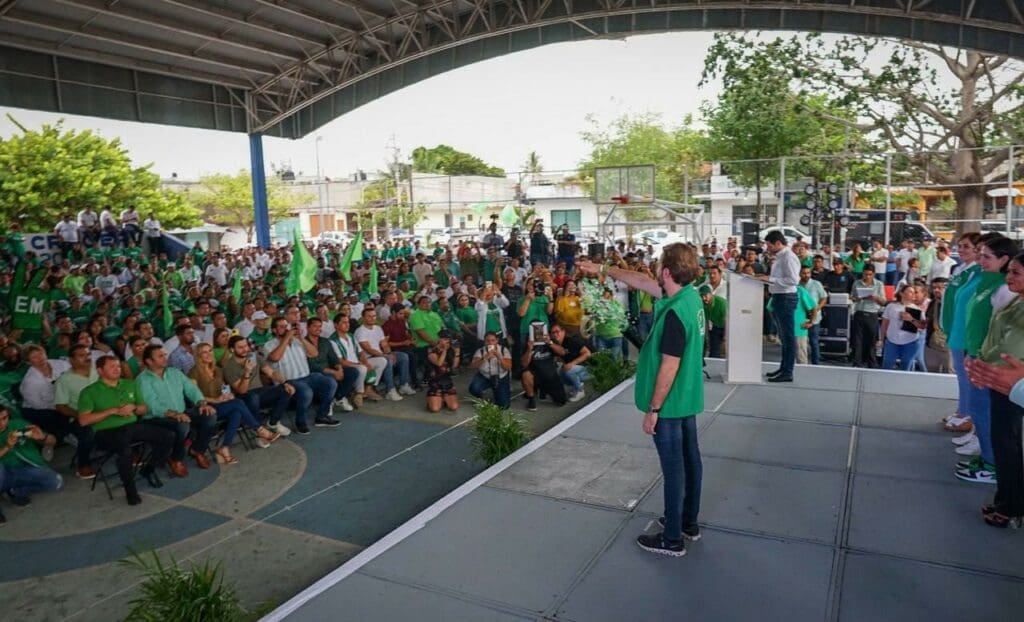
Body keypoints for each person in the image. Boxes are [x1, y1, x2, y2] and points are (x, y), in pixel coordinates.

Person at [578, 243, 705, 557]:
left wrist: (654, 409)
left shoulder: (674, 313)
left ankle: (672, 538)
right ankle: (687, 522)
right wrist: (605, 270)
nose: (653, 271)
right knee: (691, 460)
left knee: (674, 468)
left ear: (666, 271)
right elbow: (642, 282)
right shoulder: (688, 297)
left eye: (658, 264)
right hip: (688, 398)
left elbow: (669, 365)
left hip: (670, 404)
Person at [966, 252, 1024, 527]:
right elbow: (995, 336)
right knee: (1004, 441)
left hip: (1012, 382)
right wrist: (981, 361)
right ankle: (1007, 498)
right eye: (1010, 271)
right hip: (999, 379)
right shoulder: (1015, 302)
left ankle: (1011, 505)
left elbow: (1008, 346)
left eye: (1016, 273)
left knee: (1007, 442)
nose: (1009, 277)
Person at [955, 235, 1018, 484]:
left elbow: (1003, 331)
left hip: (989, 361)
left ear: (1004, 259)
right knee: (979, 411)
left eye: (986, 257)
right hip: (976, 354)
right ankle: (988, 456)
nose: (980, 260)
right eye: (980, 255)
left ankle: (992, 464)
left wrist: (985, 358)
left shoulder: (1004, 289)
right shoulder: (986, 282)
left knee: (985, 412)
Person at [77, 355, 174, 505]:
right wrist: (112, 411)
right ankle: (130, 490)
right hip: (106, 432)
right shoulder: (89, 391)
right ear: (100, 371)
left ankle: (149, 469)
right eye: (112, 367)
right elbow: (83, 420)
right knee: (124, 449)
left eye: (118, 366)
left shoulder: (130, 384)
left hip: (131, 426)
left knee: (168, 436)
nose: (117, 369)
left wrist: (134, 407)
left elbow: (143, 408)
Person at [189, 343, 280, 464]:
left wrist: (228, 394)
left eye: (210, 350)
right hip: (206, 407)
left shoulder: (218, 370)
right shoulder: (193, 372)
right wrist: (215, 400)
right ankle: (259, 429)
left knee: (236, 411)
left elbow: (224, 389)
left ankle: (224, 448)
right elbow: (193, 396)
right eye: (204, 352)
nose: (209, 354)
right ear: (199, 356)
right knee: (238, 404)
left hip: (221, 404)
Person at [135, 345, 218, 475]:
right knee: (182, 425)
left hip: (180, 412)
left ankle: (198, 449)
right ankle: (176, 458)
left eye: (164, 355)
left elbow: (191, 389)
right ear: (149, 361)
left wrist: (201, 403)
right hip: (156, 417)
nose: (164, 358)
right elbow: (151, 404)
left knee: (209, 416)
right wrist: (174, 414)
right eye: (160, 356)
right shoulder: (142, 380)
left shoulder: (174, 372)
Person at [264, 317, 340, 434]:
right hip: (288, 380)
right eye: (281, 327)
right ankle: (301, 421)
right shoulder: (269, 345)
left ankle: (321, 417)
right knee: (306, 391)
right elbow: (275, 358)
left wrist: (300, 338)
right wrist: (286, 338)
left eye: (286, 326)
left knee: (330, 382)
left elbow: (314, 353)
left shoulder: (298, 341)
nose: (286, 328)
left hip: (307, 376)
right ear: (274, 330)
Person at [0, 406, 63, 523]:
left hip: (25, 469)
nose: (1, 423)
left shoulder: (17, 424)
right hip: (4, 471)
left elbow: (53, 441)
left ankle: (15, 490)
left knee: (56, 483)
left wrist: (42, 437)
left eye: (4, 418)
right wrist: (7, 447)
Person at [222, 336, 295, 437]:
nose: (245, 349)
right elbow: (242, 391)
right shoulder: (228, 367)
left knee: (286, 390)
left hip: (260, 391)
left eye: (246, 346)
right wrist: (247, 372)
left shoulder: (254, 356)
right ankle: (259, 429)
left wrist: (285, 383)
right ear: (232, 349)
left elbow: (272, 373)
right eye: (240, 347)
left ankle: (273, 422)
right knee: (253, 397)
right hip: (244, 396)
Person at [758, 230, 800, 382]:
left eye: (769, 245)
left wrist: (771, 279)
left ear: (777, 243)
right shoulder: (780, 257)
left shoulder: (788, 257)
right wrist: (767, 279)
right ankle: (783, 368)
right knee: (783, 336)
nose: (767, 248)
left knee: (788, 337)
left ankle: (788, 371)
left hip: (786, 298)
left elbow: (793, 280)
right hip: (779, 297)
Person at [520, 321, 567, 411]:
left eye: (539, 329)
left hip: (550, 375)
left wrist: (550, 343)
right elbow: (524, 364)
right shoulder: (528, 342)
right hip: (535, 376)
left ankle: (544, 391)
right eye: (535, 330)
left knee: (561, 401)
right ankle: (531, 399)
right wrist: (529, 349)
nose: (538, 332)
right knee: (525, 374)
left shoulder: (549, 340)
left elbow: (562, 352)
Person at [880, 285, 925, 371]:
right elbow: (884, 323)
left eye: (914, 292)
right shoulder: (891, 306)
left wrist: (911, 319)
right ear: (902, 293)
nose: (913, 294)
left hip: (910, 342)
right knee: (887, 364)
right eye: (910, 292)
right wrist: (881, 339)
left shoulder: (917, 309)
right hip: (892, 340)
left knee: (906, 367)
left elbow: (922, 326)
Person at [849, 265, 886, 368]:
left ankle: (872, 362)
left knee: (871, 340)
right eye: (865, 274)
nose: (867, 277)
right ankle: (857, 362)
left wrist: (875, 297)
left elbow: (884, 301)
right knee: (857, 340)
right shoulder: (857, 283)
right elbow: (852, 297)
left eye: (870, 275)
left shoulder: (879, 284)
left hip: (872, 313)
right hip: (859, 312)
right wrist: (857, 297)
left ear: (873, 274)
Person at [468, 331, 512, 408]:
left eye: (493, 340)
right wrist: (484, 358)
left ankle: (498, 391)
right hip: (485, 376)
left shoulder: (503, 350)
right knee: (474, 388)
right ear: (484, 342)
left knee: (504, 405)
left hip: (500, 377)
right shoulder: (480, 351)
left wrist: (499, 357)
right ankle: (481, 396)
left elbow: (508, 367)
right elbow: (472, 366)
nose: (490, 343)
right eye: (487, 341)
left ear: (497, 340)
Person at [549, 323, 591, 402]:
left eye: (557, 331)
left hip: (589, 368)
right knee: (559, 372)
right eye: (553, 333)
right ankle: (576, 385)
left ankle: (580, 390)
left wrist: (572, 363)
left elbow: (587, 353)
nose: (555, 334)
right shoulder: (555, 345)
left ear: (563, 332)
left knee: (569, 370)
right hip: (576, 368)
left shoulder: (572, 341)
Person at [799, 266, 828, 366]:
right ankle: (802, 363)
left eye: (808, 273)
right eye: (804, 273)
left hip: (814, 318)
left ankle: (816, 364)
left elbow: (824, 298)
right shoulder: (797, 285)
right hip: (801, 317)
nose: (806, 275)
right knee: (800, 344)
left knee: (814, 342)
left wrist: (818, 308)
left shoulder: (816, 284)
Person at [425, 330, 460, 413]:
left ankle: (443, 399)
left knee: (454, 407)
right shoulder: (431, 350)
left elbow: (454, 366)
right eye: (444, 339)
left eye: (448, 339)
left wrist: (457, 353)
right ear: (439, 339)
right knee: (435, 409)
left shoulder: (451, 350)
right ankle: (434, 400)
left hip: (447, 382)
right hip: (435, 382)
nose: (447, 342)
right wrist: (444, 350)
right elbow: (439, 363)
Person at [699, 285, 727, 359]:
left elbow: (727, 321)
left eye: (705, 295)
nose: (704, 298)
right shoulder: (703, 305)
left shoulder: (721, 303)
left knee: (727, 350)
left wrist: (725, 339)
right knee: (714, 352)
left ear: (711, 294)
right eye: (702, 296)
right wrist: (707, 338)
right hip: (716, 326)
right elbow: (706, 322)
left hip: (728, 327)